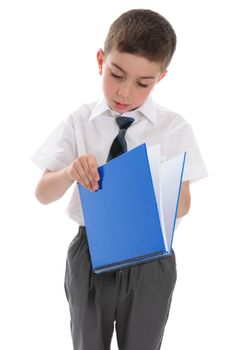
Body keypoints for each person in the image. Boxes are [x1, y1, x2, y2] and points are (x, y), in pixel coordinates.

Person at [32, 9, 208, 350]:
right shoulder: (80, 120)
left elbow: (184, 203)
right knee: (87, 343)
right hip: (91, 251)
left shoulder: (173, 127)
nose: (125, 92)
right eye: (117, 74)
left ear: (160, 78)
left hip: (151, 255)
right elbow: (42, 193)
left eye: (143, 83)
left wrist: (146, 181)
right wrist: (71, 172)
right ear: (101, 60)